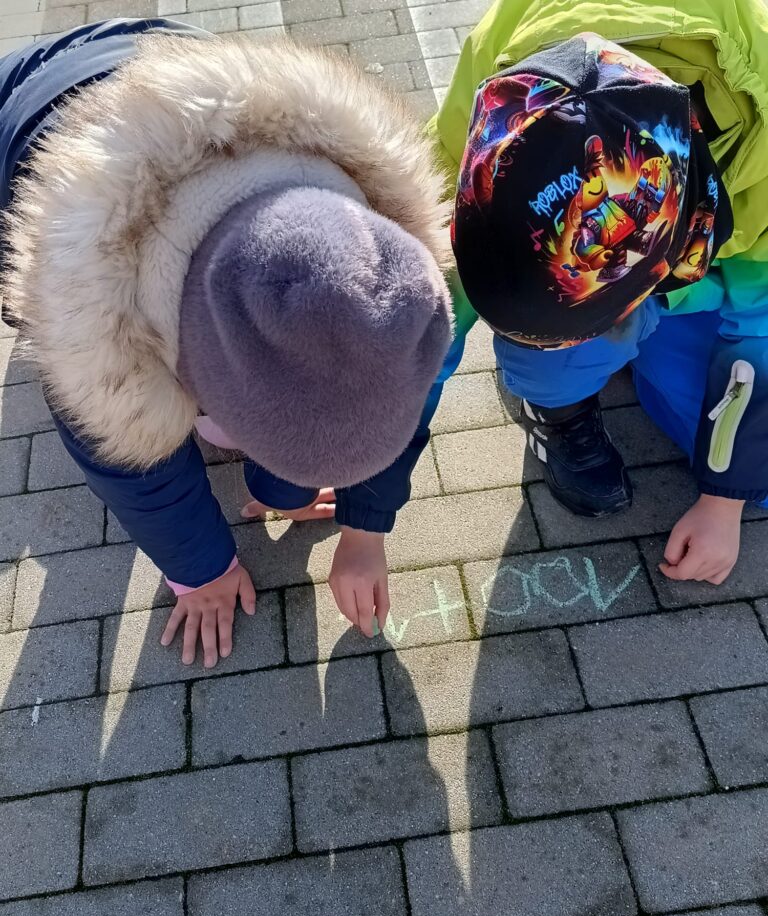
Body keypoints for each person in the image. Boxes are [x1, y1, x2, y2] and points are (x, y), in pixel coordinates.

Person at [1, 20, 455, 667]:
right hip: (29, 128)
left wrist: (349, 516)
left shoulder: (387, 249)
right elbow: (133, 469)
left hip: (177, 74)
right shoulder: (91, 321)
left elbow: (375, 389)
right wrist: (201, 571)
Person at [428, 0, 768, 586]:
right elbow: (427, 306)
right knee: (557, 343)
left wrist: (724, 502)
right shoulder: (498, 82)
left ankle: (618, 340)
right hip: (681, 268)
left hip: (726, 279)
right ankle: (558, 406)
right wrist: (365, 479)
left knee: (754, 475)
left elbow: (758, 332)